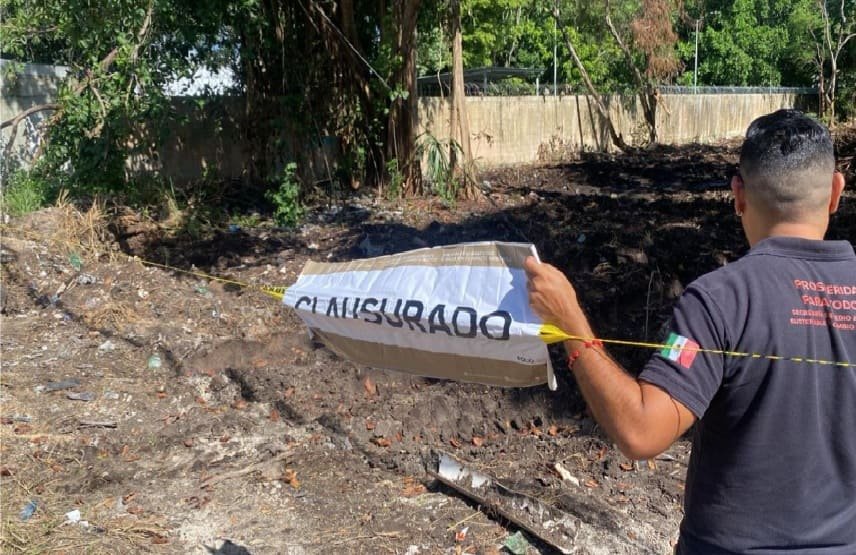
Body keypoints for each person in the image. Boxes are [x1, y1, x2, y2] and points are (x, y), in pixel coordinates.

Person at [525, 109, 855, 553]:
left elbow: (641, 431)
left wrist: (569, 323)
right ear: (836, 192)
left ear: (738, 194)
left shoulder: (721, 300)